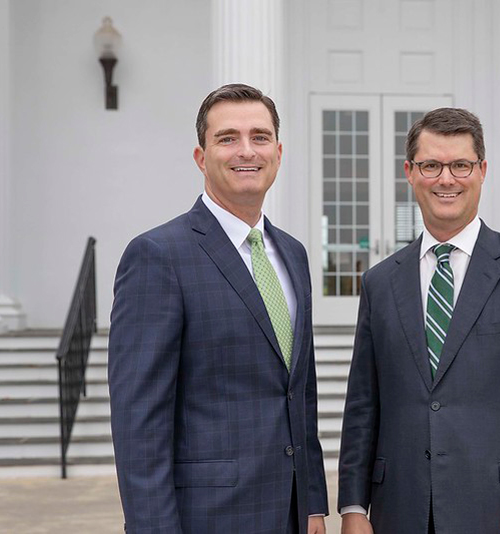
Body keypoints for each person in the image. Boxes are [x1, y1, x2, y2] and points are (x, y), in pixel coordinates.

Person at [337, 108, 500, 533]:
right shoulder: (379, 282)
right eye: (431, 165)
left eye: (460, 165)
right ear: (410, 173)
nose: (446, 179)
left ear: (482, 170)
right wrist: (353, 507)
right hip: (399, 512)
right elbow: (362, 404)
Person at [108, 83, 328, 534]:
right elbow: (140, 423)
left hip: (290, 516)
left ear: (279, 152)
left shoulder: (293, 254)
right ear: (200, 156)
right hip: (207, 520)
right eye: (227, 138)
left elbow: (299, 397)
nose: (246, 150)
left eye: (260, 137)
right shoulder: (158, 255)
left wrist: (313, 507)